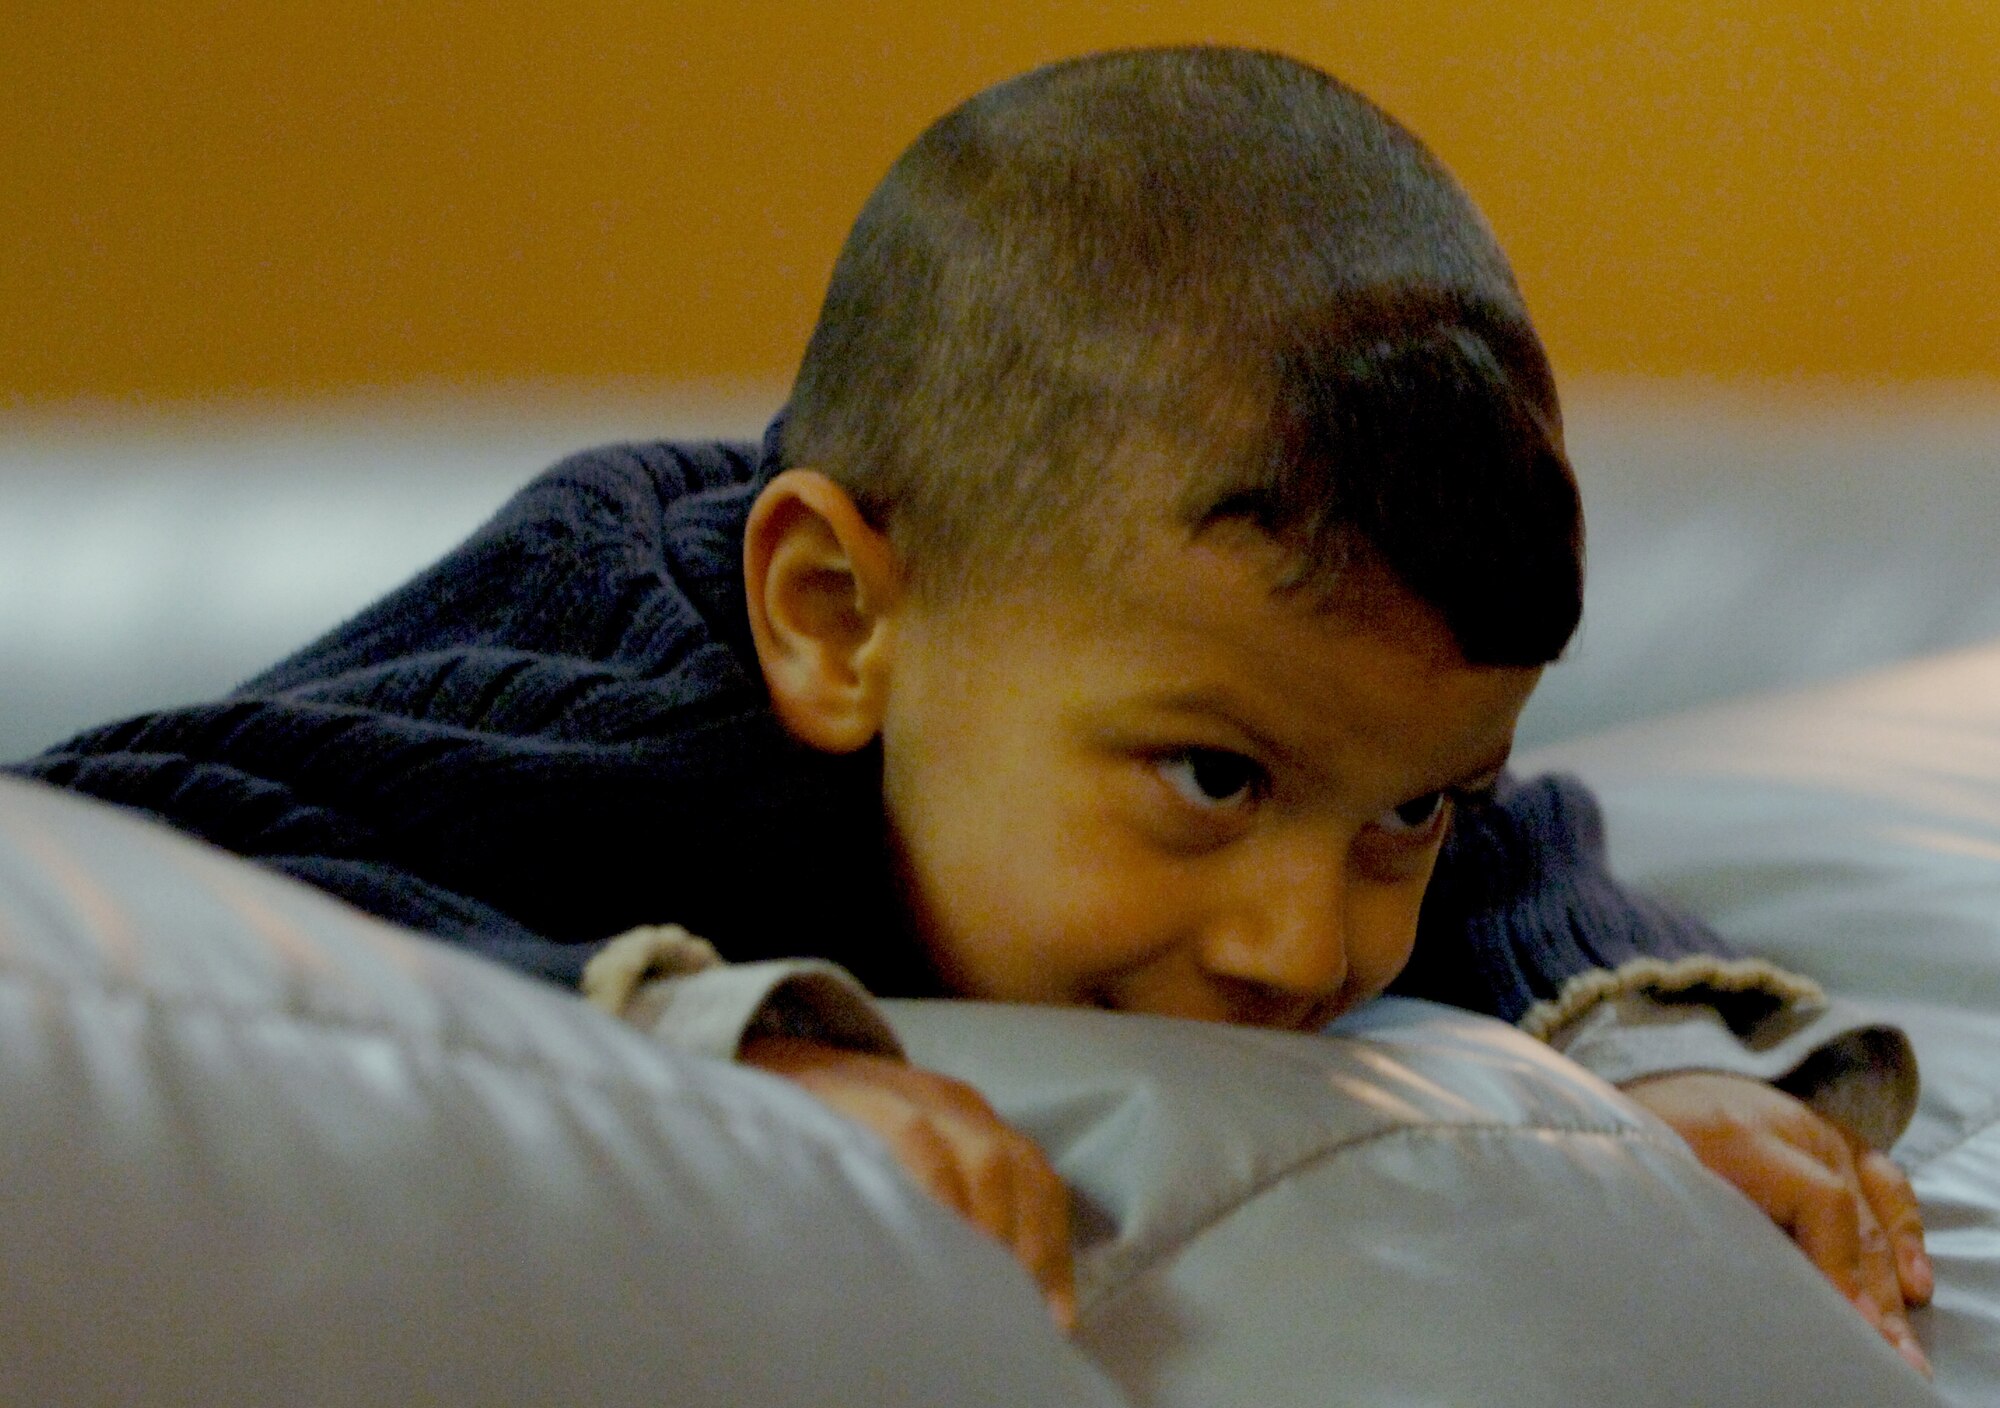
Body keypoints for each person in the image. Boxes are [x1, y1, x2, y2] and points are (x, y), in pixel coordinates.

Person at [12, 46, 1931, 1371]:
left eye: (1400, 819)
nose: (1303, 944)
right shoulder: (612, 658)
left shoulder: (1314, 710)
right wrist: (722, 1050)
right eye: (1207, 779)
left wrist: (1686, 1068)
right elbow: (156, 858)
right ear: (837, 622)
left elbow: (1539, 871)